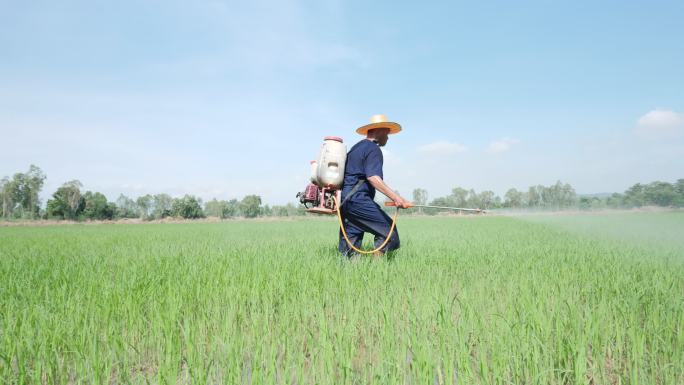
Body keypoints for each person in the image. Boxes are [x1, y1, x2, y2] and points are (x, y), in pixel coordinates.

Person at [338, 114, 411, 258]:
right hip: (358, 200)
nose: (388, 137)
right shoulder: (373, 149)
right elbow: (373, 177)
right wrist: (397, 198)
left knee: (350, 250)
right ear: (381, 130)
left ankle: (349, 275)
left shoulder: (356, 148)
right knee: (390, 234)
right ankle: (376, 268)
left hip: (344, 201)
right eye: (388, 133)